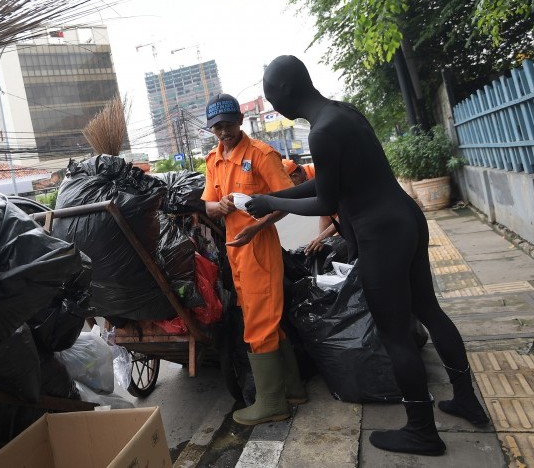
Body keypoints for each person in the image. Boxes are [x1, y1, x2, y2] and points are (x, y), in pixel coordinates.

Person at [245, 56, 488, 456]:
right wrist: (269, 200)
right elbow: (332, 182)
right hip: (404, 216)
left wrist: (270, 199)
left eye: (272, 98)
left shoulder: (321, 133)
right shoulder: (341, 113)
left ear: (287, 91)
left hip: (381, 233)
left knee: (394, 334)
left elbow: (327, 197)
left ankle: (422, 431)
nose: (274, 107)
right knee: (429, 308)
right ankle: (466, 399)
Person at [200, 93, 306, 425]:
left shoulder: (261, 154)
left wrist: (255, 228)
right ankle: (292, 388)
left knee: (258, 325)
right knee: (263, 319)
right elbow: (208, 204)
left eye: (228, 124)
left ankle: (272, 403)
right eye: (217, 127)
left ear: (240, 121)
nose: (223, 132)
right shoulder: (212, 159)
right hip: (236, 252)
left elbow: (285, 201)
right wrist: (219, 208)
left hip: (258, 248)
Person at [281, 158, 339, 255]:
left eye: (288, 185)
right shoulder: (305, 178)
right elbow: (325, 212)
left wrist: (323, 237)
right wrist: (321, 239)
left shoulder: (322, 175)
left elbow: (348, 212)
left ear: (295, 176)